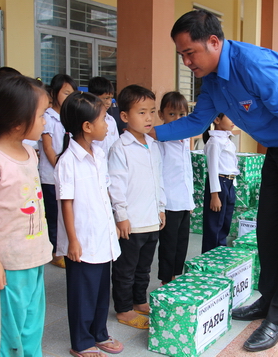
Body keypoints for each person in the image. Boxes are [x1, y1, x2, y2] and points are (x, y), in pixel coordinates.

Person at [152, 10, 278, 352]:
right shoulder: (211, 81)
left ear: (213, 42)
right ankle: (267, 299)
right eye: (181, 55)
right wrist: (152, 133)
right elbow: (197, 123)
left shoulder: (253, 65)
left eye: (189, 53)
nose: (186, 62)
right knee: (267, 226)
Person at [0, 75, 53, 356]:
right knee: (10, 336)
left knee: (32, 328)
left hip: (34, 257)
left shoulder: (30, 152)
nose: (45, 121)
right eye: (41, 115)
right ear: (19, 121)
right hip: (8, 266)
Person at [54, 91, 123, 357]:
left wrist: (114, 221)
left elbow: (104, 191)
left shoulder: (99, 153)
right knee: (82, 294)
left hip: (101, 234)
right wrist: (72, 240)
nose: (108, 124)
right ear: (87, 126)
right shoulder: (68, 162)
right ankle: (81, 341)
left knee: (100, 291)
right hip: (82, 240)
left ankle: (99, 333)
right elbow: (66, 203)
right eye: (104, 119)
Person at [108, 84, 166, 329]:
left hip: (151, 218)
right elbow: (116, 185)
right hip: (131, 222)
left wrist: (161, 207)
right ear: (124, 116)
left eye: (152, 111)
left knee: (144, 266)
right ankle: (123, 308)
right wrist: (121, 215)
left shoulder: (153, 145)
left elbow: (158, 179)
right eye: (141, 112)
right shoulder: (120, 148)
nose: (149, 118)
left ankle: (139, 300)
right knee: (126, 269)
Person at [38, 74, 78, 268]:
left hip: (67, 175)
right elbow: (47, 148)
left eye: (72, 93)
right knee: (54, 215)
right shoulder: (47, 117)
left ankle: (65, 246)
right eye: (66, 92)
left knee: (66, 213)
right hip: (51, 176)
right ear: (54, 93)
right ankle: (56, 252)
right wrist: (61, 167)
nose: (70, 96)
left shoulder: (69, 116)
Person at [156, 91, 195, 285]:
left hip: (184, 202)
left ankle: (174, 277)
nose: (177, 119)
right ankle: (166, 281)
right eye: (172, 114)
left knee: (181, 245)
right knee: (168, 246)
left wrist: (191, 200)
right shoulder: (160, 141)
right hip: (169, 202)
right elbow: (159, 177)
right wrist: (161, 207)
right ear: (161, 115)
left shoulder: (185, 139)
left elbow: (187, 171)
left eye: (182, 115)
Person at [201, 113, 239, 253]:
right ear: (217, 120)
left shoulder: (227, 140)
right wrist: (215, 195)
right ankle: (209, 259)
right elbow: (212, 169)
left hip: (228, 183)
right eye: (229, 116)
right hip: (218, 184)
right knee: (214, 226)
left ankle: (220, 255)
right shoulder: (214, 142)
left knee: (225, 224)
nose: (233, 120)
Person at [88, 76, 120, 153]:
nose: (109, 102)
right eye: (105, 98)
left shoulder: (111, 120)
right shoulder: (88, 120)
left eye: (110, 98)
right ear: (93, 97)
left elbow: (116, 146)